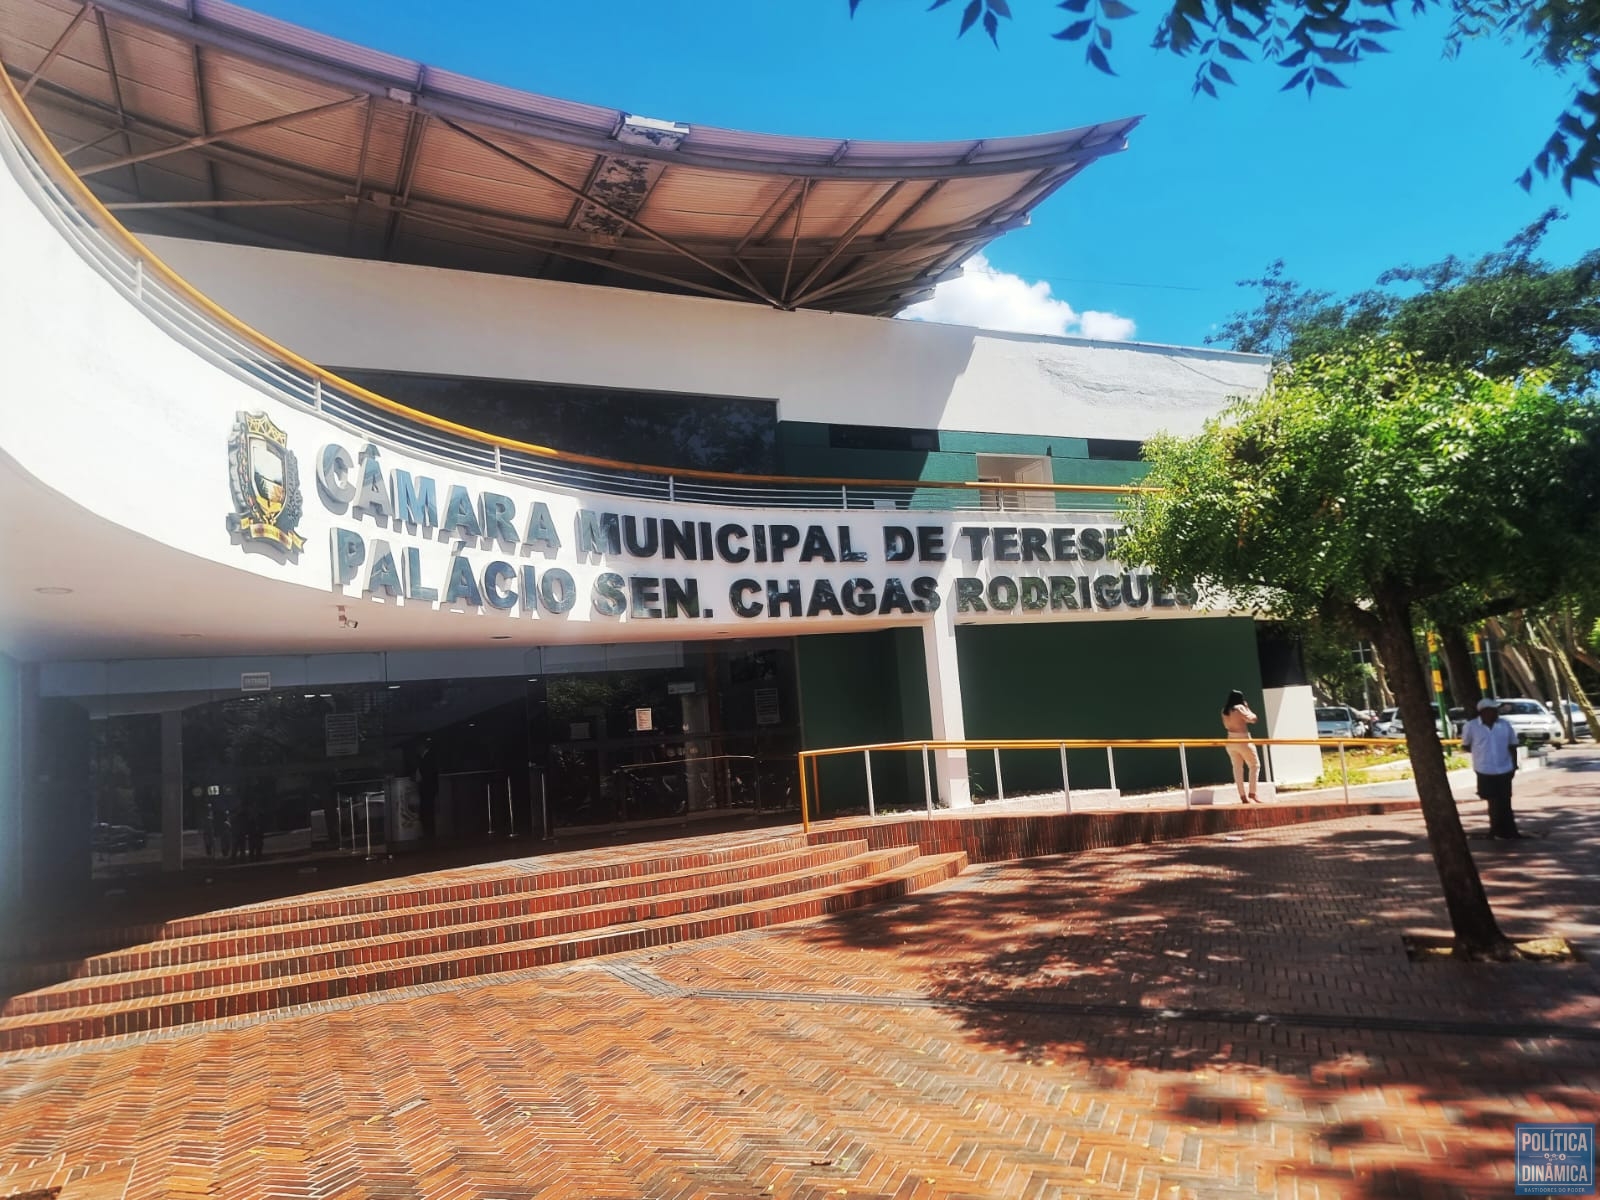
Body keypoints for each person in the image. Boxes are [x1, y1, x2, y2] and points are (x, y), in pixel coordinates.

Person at [1460, 697, 1520, 838]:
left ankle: (1509, 830)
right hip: (1484, 769)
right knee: (1492, 801)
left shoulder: (1505, 725)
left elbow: (1512, 745)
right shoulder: (1471, 726)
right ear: (1483, 712)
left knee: (1505, 800)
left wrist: (1514, 765)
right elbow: (1466, 745)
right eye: (1492, 710)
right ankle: (1495, 829)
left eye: (1495, 710)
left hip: (1504, 768)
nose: (1495, 713)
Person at [1221, 689, 1262, 803]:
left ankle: (1242, 796)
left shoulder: (1224, 710)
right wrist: (1247, 708)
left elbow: (1226, 726)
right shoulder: (1240, 707)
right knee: (1254, 765)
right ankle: (1252, 793)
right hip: (1243, 739)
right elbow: (1253, 719)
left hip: (1230, 740)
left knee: (1237, 769)